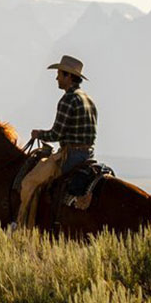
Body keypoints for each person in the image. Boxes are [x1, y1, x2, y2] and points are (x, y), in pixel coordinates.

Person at [14, 54, 98, 226]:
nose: (57, 78)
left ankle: (24, 225)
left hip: (71, 156)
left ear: (68, 76)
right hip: (88, 154)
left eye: (60, 74)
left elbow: (56, 134)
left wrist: (39, 134)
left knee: (30, 181)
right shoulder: (88, 99)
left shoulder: (68, 99)